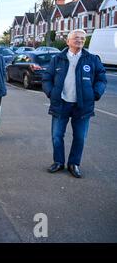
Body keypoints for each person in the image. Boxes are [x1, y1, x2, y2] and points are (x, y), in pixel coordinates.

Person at [43, 29, 106, 178]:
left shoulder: (92, 59)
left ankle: (74, 164)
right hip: (61, 103)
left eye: (82, 38)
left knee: (80, 137)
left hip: (82, 105)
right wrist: (51, 93)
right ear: (68, 41)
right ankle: (58, 162)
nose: (80, 40)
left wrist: (95, 93)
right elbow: (47, 77)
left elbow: (101, 78)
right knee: (57, 136)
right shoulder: (57, 59)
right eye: (76, 38)